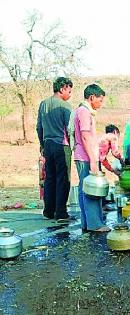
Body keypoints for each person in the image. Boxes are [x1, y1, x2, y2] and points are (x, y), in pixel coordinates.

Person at [72, 84, 110, 232]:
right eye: (100, 100)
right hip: (85, 156)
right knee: (91, 190)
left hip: (83, 155)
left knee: (85, 188)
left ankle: (86, 224)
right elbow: (85, 136)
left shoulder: (83, 111)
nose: (101, 104)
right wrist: (93, 161)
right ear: (92, 97)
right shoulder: (84, 112)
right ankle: (95, 224)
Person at [36, 77, 74, 223]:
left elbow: (39, 127)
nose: (70, 94)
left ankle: (48, 211)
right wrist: (73, 146)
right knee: (63, 179)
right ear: (63, 88)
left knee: (50, 179)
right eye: (69, 91)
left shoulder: (43, 104)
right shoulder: (65, 106)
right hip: (61, 145)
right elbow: (70, 129)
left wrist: (42, 145)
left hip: (48, 144)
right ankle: (61, 213)